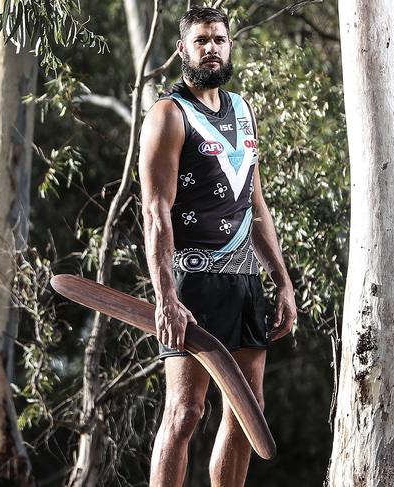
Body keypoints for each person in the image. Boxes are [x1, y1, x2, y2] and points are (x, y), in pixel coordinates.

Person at [138, 6, 297, 487]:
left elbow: (257, 202)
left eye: (220, 39)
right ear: (183, 50)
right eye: (202, 40)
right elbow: (155, 213)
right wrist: (166, 297)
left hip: (246, 279)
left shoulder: (244, 110)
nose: (212, 47)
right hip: (193, 281)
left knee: (248, 411)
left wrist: (283, 282)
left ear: (230, 47)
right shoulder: (168, 115)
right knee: (185, 412)